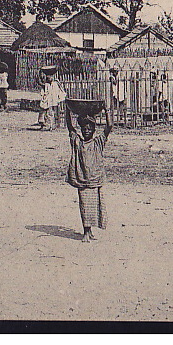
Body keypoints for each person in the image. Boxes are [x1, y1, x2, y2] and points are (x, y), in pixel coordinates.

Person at [65, 103, 112, 242]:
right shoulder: (77, 142)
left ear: (93, 130)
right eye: (84, 128)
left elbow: (109, 127)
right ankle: (86, 231)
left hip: (95, 179)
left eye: (89, 128)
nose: (86, 131)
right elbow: (70, 128)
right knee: (85, 205)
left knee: (95, 205)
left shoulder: (98, 142)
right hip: (82, 179)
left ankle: (90, 230)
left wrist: (106, 110)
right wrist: (68, 110)